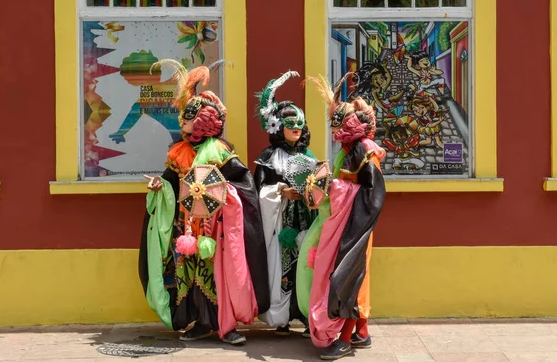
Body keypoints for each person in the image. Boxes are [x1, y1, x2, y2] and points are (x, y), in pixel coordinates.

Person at [138, 59, 270, 345]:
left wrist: (221, 194)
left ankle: (226, 324)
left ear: (201, 121)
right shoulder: (179, 152)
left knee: (220, 274)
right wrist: (159, 186)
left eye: (186, 118)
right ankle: (199, 322)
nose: (181, 122)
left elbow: (242, 185)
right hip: (186, 226)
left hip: (216, 228)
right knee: (189, 273)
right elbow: (171, 181)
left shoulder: (221, 151)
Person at [297, 73, 387, 360]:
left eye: (339, 125)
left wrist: (335, 187)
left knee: (349, 277)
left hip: (358, 224)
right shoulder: (347, 152)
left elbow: (373, 193)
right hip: (348, 223)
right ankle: (362, 332)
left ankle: (345, 340)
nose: (334, 132)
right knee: (355, 276)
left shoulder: (364, 152)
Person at [253, 71, 317, 337]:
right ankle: (281, 318)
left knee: (307, 264)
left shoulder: (308, 156)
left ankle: (304, 314)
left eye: (299, 125)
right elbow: (257, 190)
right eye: (291, 124)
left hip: (306, 221)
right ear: (278, 126)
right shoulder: (269, 157)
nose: (296, 129)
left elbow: (317, 186)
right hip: (279, 222)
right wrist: (280, 191)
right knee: (281, 267)